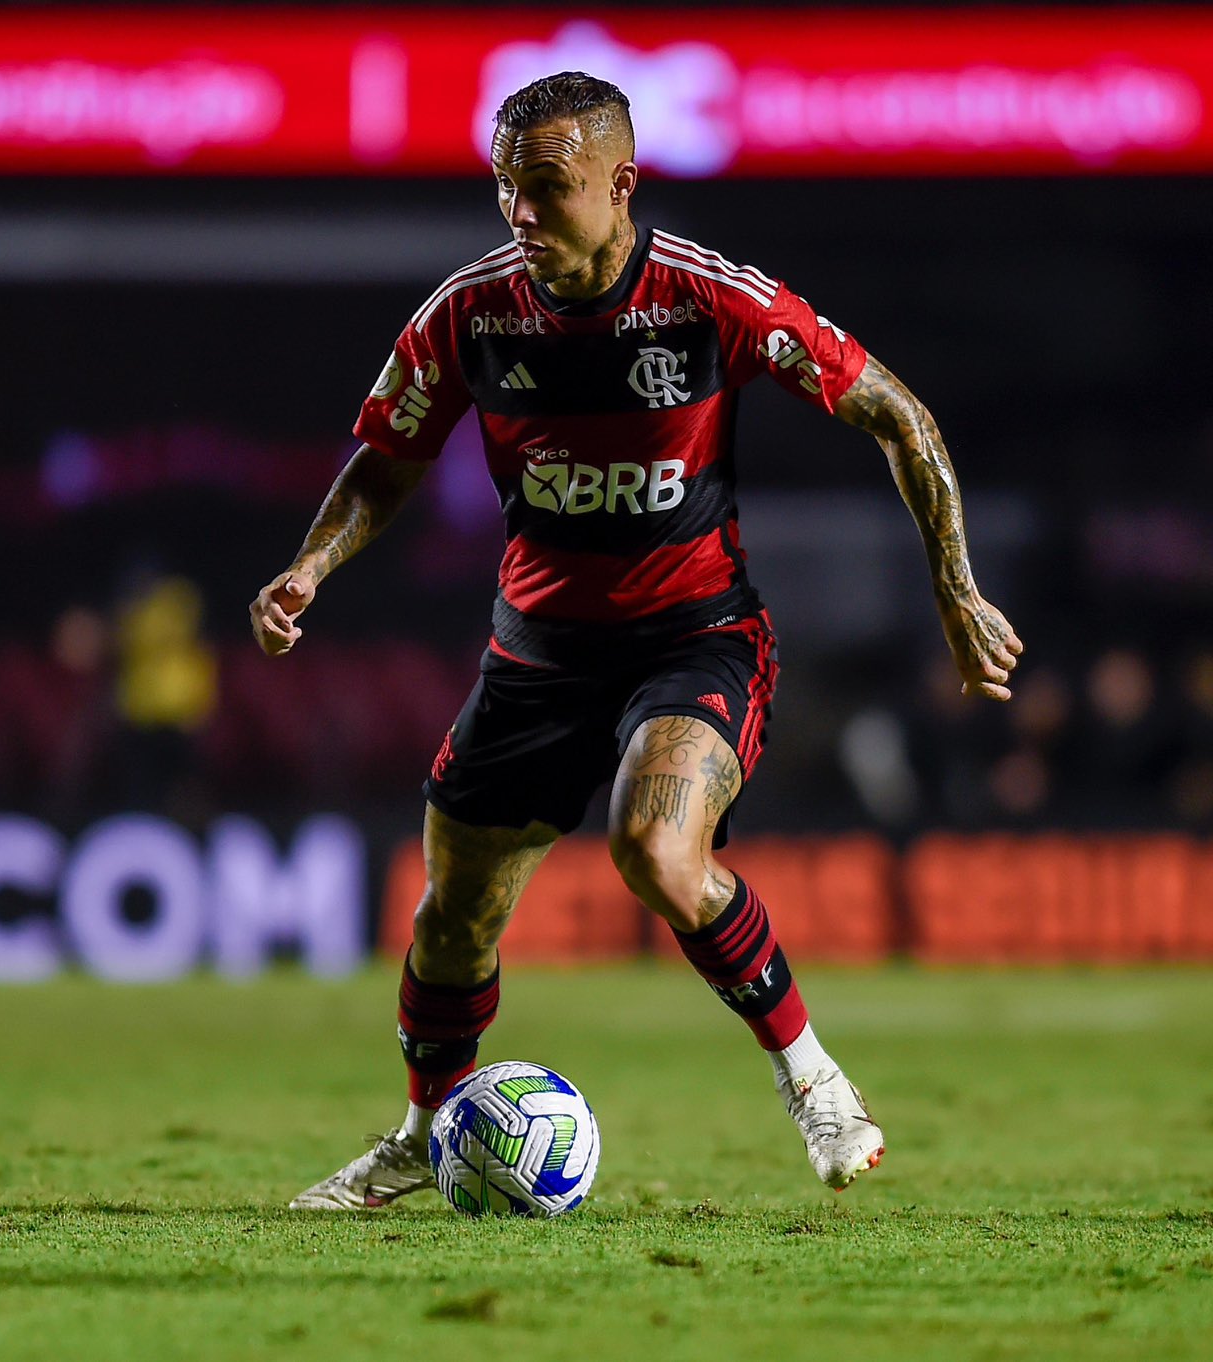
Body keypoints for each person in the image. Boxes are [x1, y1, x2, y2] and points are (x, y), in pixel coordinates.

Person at [252, 73, 1022, 1209]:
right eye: (505, 189)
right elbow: (386, 458)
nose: (520, 215)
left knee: (655, 853)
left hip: (693, 639)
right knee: (450, 913)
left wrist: (954, 592)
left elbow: (896, 417)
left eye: (548, 190)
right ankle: (423, 1133)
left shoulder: (708, 300)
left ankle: (813, 1082)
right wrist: (311, 563)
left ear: (619, 185)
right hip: (533, 658)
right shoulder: (469, 313)